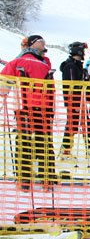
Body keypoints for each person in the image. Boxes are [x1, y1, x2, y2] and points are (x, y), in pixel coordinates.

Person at [0, 35, 57, 191]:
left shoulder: (18, 62)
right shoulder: (46, 64)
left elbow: (3, 87)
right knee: (44, 142)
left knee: (24, 143)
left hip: (24, 108)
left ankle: (24, 180)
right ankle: (47, 180)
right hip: (45, 109)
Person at [59, 41, 90, 161]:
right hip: (74, 102)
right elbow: (72, 86)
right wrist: (74, 103)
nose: (84, 53)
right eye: (82, 51)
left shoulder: (78, 65)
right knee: (73, 125)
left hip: (80, 101)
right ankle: (66, 151)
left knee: (84, 124)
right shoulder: (70, 66)